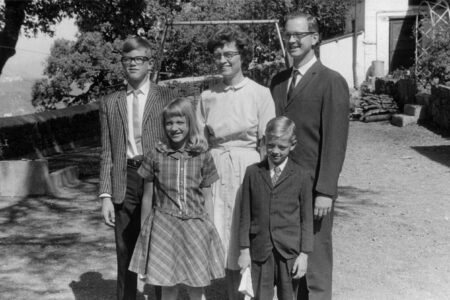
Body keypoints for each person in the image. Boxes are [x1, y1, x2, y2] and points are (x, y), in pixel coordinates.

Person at [270, 12, 350, 300]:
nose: (291, 40)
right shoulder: (278, 81)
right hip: (281, 185)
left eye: (298, 35)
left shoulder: (331, 81)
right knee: (287, 253)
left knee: (315, 256)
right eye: (288, 34)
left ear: (314, 38)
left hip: (314, 188)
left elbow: (335, 141)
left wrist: (326, 190)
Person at [197, 27, 276, 299]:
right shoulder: (207, 97)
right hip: (216, 169)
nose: (223, 60)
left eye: (229, 53)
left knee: (247, 233)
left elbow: (266, 144)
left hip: (248, 168)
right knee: (222, 233)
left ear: (243, 56)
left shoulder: (260, 93)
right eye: (217, 55)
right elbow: (199, 142)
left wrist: (266, 183)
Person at [98, 36, 176, 300]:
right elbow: (107, 151)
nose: (133, 64)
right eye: (127, 59)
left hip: (159, 179)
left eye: (139, 59)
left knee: (160, 248)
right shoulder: (111, 102)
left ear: (149, 63)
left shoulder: (166, 97)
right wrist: (106, 195)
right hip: (126, 180)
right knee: (125, 251)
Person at [128, 97, 225, 300]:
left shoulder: (202, 154)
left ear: (190, 123)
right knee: (167, 285)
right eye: (169, 123)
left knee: (196, 284)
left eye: (180, 122)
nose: (174, 128)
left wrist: (210, 227)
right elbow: (147, 197)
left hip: (195, 224)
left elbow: (207, 195)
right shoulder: (156, 154)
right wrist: (146, 231)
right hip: (164, 226)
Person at [238, 116, 314, 300]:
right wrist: (244, 251)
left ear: (293, 145)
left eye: (282, 147)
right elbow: (245, 214)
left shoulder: (302, 175)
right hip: (260, 250)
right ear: (264, 142)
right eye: (271, 145)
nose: (275, 151)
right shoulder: (253, 173)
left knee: (288, 296)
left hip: (289, 252)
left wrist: (304, 254)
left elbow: (306, 219)